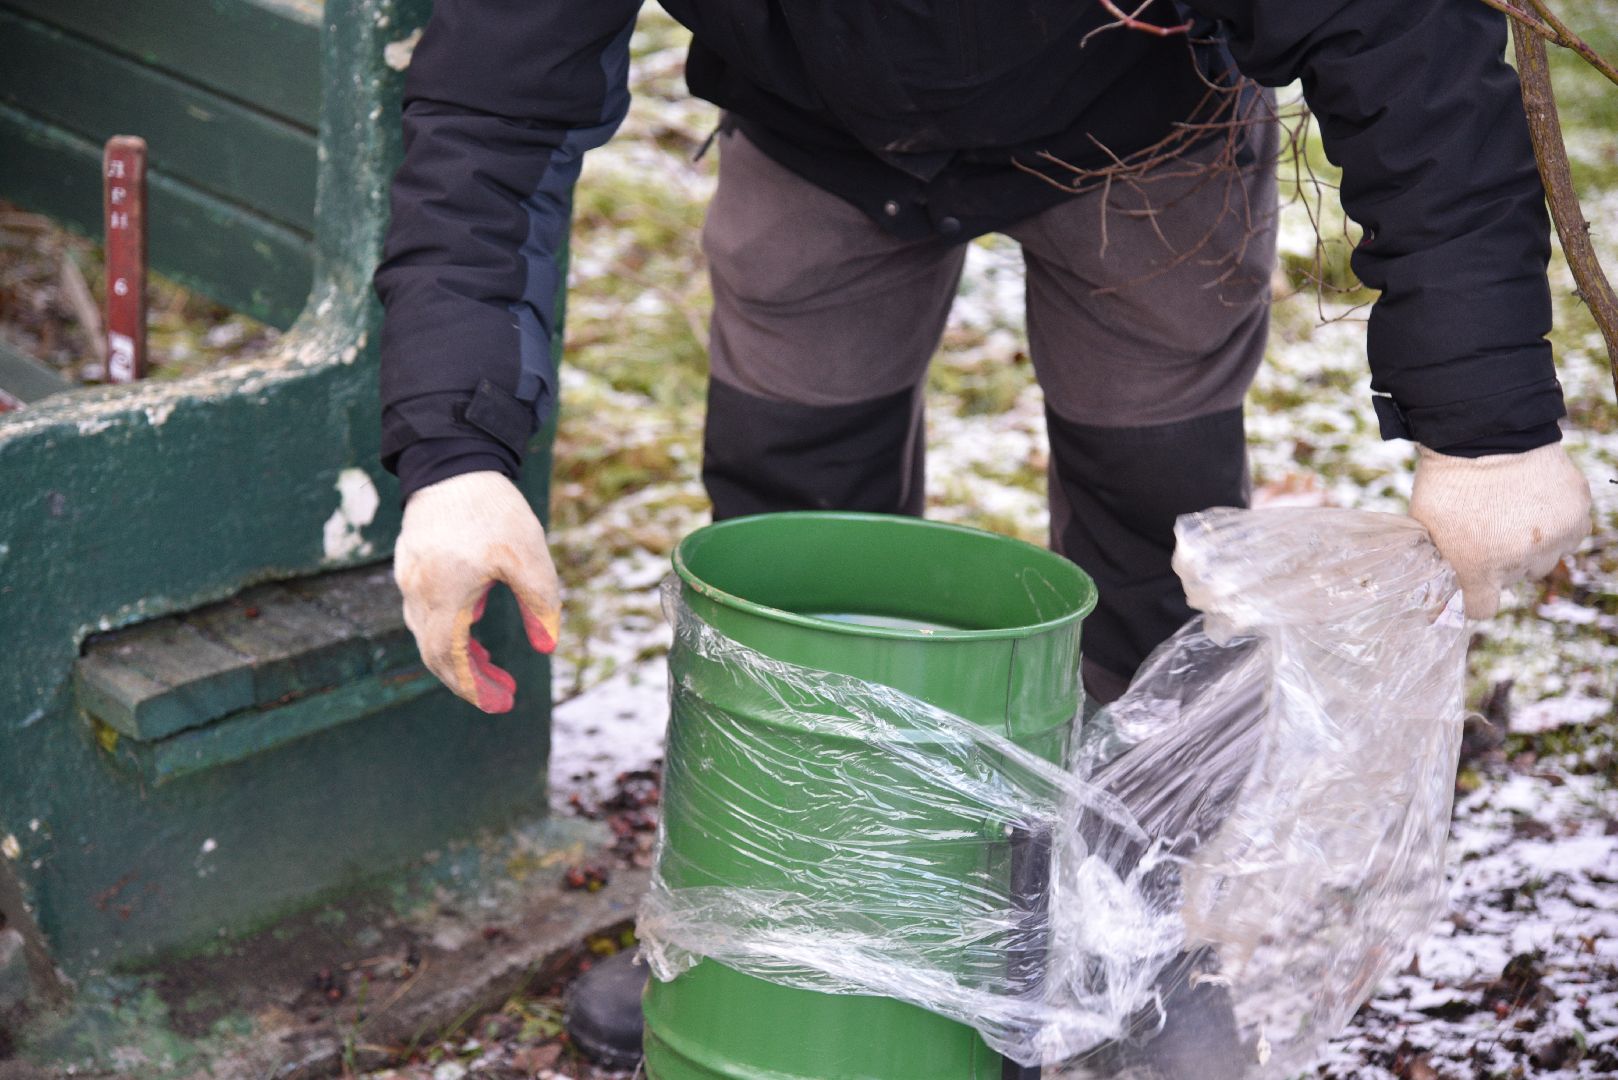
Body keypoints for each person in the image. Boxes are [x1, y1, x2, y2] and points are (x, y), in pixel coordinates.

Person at [375, 3, 1594, 1064]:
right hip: (817, 132)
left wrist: (1484, 426)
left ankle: (1131, 944)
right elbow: (489, 111)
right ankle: (795, 931)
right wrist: (455, 455)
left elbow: (1397, 46)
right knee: (799, 527)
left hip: (1145, 131)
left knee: (1148, 530)